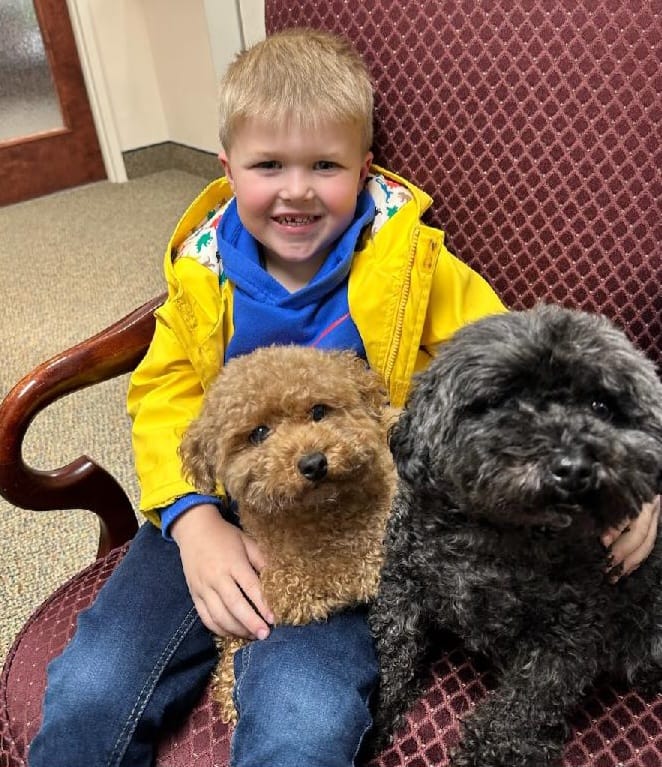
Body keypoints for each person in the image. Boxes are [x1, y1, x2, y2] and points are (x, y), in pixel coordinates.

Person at [29, 27, 660, 767]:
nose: (296, 190)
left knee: (308, 721)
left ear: (363, 170)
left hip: (346, 523)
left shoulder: (420, 265)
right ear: (228, 169)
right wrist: (192, 518)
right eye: (269, 165)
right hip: (209, 508)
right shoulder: (199, 275)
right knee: (88, 689)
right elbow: (164, 392)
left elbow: (531, 369)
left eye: (323, 165)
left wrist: (629, 476)